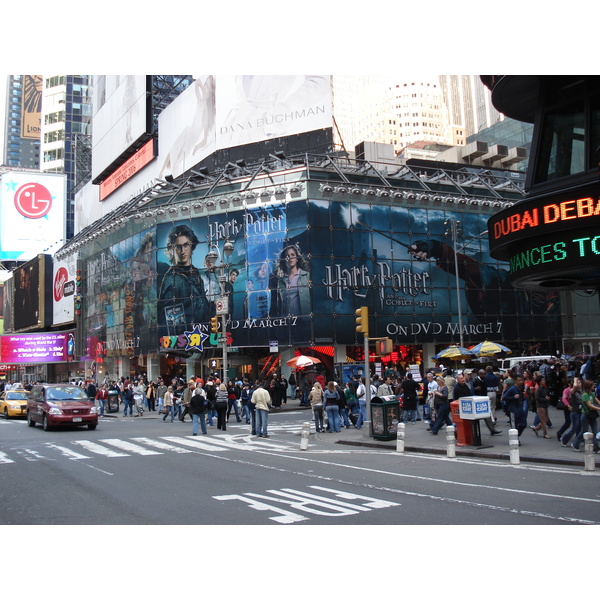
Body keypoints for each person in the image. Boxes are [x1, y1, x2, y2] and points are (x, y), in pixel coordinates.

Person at [157, 224, 209, 333]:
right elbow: (169, 322)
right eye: (178, 247)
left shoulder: (196, 274)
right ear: (172, 248)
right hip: (187, 341)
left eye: (186, 245)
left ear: (191, 246)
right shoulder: (172, 280)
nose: (182, 251)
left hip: (203, 336)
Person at [273, 243, 310, 316]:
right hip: (287, 321)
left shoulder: (307, 276)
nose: (290, 258)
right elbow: (279, 304)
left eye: (293, 255)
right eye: (287, 256)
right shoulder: (281, 281)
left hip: (304, 320)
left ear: (297, 258)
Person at [571, 379, 600, 452]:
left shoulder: (592, 394)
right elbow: (589, 405)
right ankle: (575, 444)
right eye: (592, 385)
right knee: (584, 431)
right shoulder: (584, 395)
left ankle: (596, 448)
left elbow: (598, 401)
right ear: (589, 386)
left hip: (592, 415)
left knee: (595, 431)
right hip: (586, 415)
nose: (594, 386)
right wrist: (598, 408)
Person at [503, 375, 527, 442]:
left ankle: (517, 435)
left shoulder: (520, 388)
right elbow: (504, 397)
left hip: (520, 408)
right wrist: (513, 397)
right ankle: (515, 439)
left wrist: (523, 395)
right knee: (514, 425)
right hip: (513, 409)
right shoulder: (512, 389)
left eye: (522, 380)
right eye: (519, 380)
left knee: (523, 423)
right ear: (515, 381)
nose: (521, 382)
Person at [561, 377, 583, 447]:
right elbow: (575, 386)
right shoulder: (572, 391)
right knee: (574, 427)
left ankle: (577, 442)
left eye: (580, 382)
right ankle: (564, 439)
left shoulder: (580, 391)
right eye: (578, 382)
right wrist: (575, 379)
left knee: (579, 427)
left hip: (580, 411)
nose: (580, 384)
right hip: (574, 411)